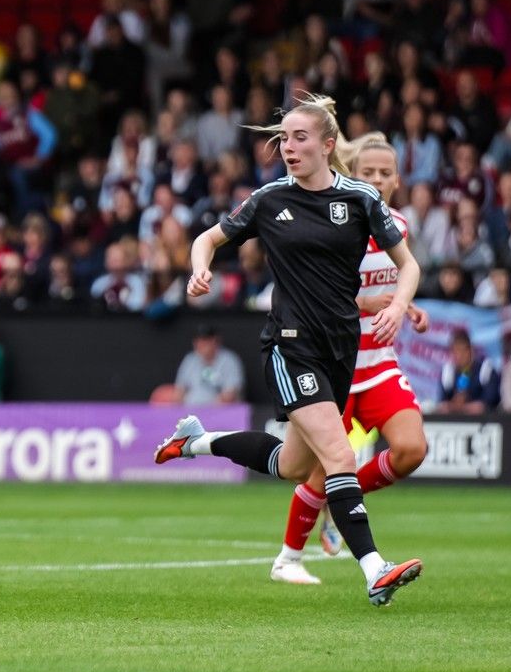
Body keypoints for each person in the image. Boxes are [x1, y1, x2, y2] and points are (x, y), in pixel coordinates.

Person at [155, 93, 424, 607]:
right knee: (340, 455)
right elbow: (207, 239)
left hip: (339, 348)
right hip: (290, 344)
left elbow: (407, 265)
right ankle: (374, 569)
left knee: (296, 467)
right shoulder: (269, 199)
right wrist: (199, 269)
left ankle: (195, 442)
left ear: (328, 145)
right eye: (283, 139)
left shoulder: (361, 201)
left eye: (299, 138)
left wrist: (396, 307)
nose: (288, 148)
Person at [262, 131, 430, 584]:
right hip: (331, 362)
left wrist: (404, 306)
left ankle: (343, 505)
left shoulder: (398, 225)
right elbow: (316, 291)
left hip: (378, 363)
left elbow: (393, 282)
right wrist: (367, 306)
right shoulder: (334, 222)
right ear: (353, 176)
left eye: (386, 173)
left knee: (412, 449)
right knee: (318, 470)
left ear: (398, 180)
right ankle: (289, 557)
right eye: (368, 172)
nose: (377, 180)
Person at [172, 325, 244, 405]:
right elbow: (179, 391)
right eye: (198, 340)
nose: (201, 344)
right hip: (191, 411)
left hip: (220, 411)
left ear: (215, 340)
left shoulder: (229, 360)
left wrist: (208, 409)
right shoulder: (190, 360)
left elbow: (231, 393)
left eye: (205, 340)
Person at [437, 331, 501, 413]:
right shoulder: (448, 372)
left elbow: (488, 403)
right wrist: (455, 405)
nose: (459, 355)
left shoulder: (485, 371)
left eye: (462, 350)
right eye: (455, 351)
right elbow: (443, 404)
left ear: (470, 350)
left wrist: (461, 407)